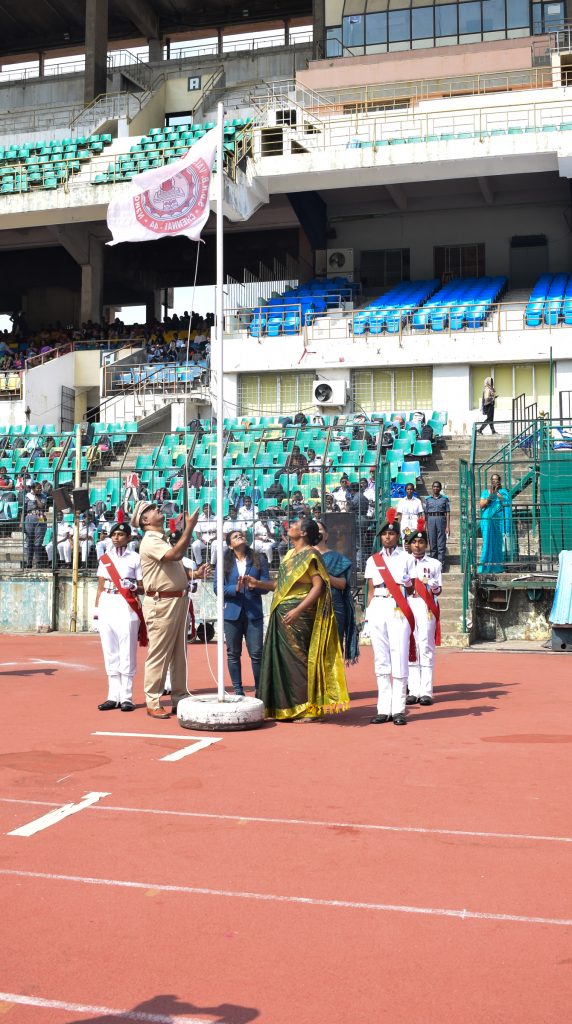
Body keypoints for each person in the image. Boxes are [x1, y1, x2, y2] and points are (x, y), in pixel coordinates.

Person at [258, 517, 349, 720]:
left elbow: (319, 586)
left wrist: (298, 610)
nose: (289, 527)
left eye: (294, 525)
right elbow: (279, 584)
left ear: (304, 533)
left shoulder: (311, 555)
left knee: (299, 660)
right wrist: (256, 583)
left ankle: (308, 708)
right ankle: (284, 708)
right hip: (281, 613)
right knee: (282, 662)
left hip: (300, 615)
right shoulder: (290, 554)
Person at [131, 499, 199, 718]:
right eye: (151, 509)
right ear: (145, 520)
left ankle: (180, 696)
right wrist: (189, 528)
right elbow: (174, 556)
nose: (156, 509)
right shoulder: (151, 540)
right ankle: (152, 700)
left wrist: (194, 574)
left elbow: (173, 566)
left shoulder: (162, 539)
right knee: (160, 653)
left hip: (176, 600)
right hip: (162, 602)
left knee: (179, 653)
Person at [364, 509, 416, 726]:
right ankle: (383, 709)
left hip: (397, 607)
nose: (388, 537)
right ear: (380, 537)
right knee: (381, 659)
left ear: (397, 536)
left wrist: (407, 583)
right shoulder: (372, 560)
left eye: (392, 534)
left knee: (399, 656)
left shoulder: (407, 558)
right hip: (378, 605)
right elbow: (370, 590)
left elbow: (412, 590)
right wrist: (367, 618)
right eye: (384, 534)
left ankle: (399, 709)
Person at [93, 518, 145, 712]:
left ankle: (127, 697)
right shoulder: (105, 558)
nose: (116, 538)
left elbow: (143, 587)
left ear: (129, 537)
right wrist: (96, 614)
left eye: (120, 534)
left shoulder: (135, 558)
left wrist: (133, 586)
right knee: (110, 651)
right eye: (114, 534)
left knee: (127, 651)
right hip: (108, 602)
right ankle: (112, 696)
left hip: (126, 604)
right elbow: (100, 588)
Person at [214, 529, 272, 696]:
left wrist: (255, 584)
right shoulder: (223, 562)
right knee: (233, 653)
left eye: (241, 535)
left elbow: (266, 585)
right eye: (235, 536)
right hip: (231, 614)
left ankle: (260, 690)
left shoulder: (259, 559)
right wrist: (236, 588)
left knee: (257, 653)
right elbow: (218, 588)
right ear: (230, 545)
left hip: (253, 612)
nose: (240, 537)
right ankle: (238, 691)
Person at [406, 519, 442, 707]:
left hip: (426, 607)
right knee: (411, 647)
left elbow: (439, 590)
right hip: (408, 605)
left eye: (421, 542)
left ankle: (426, 691)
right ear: (409, 544)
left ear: (426, 544)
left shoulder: (435, 563)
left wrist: (434, 587)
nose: (417, 545)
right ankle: (413, 690)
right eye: (414, 542)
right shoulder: (403, 562)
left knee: (426, 647)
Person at [315, 521, 359, 664]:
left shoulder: (337, 558)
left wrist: (325, 576)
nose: (317, 532)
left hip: (334, 607)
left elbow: (342, 584)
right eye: (314, 529)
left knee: (333, 649)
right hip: (308, 607)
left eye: (320, 529)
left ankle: (334, 678)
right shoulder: (302, 557)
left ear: (326, 535)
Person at [478, 472, 511, 573]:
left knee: (497, 543)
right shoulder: (485, 492)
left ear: (499, 481)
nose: (494, 481)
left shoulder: (503, 492)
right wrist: (491, 495)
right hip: (487, 520)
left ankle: (496, 567)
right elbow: (482, 505)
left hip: (497, 521)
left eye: (496, 479)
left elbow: (505, 502)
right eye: (493, 479)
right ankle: (484, 566)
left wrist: (496, 492)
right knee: (487, 542)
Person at [424, 480, 450, 567]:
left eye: (437, 487)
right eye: (434, 486)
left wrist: (448, 526)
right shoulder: (428, 499)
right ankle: (433, 564)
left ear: (440, 488)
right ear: (432, 488)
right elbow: (425, 513)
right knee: (432, 542)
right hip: (431, 519)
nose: (436, 488)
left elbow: (448, 512)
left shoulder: (444, 499)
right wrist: (425, 526)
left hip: (441, 519)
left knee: (441, 543)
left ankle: (441, 564)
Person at [23, 482, 47, 568]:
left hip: (40, 517)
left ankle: (38, 562)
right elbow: (24, 510)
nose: (40, 489)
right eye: (38, 488)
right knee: (29, 541)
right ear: (33, 489)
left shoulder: (43, 496)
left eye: (40, 488)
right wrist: (21, 522)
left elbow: (41, 506)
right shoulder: (27, 496)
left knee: (38, 542)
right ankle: (29, 562)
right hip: (29, 518)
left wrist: (36, 496)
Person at [395, 482, 424, 547]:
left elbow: (420, 514)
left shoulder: (417, 501)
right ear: (405, 490)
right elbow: (399, 514)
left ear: (413, 490)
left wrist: (421, 525)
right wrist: (398, 525)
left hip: (414, 521)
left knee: (415, 538)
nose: (409, 491)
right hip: (405, 521)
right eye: (408, 489)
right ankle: (405, 552)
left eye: (411, 489)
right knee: (405, 539)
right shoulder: (402, 501)